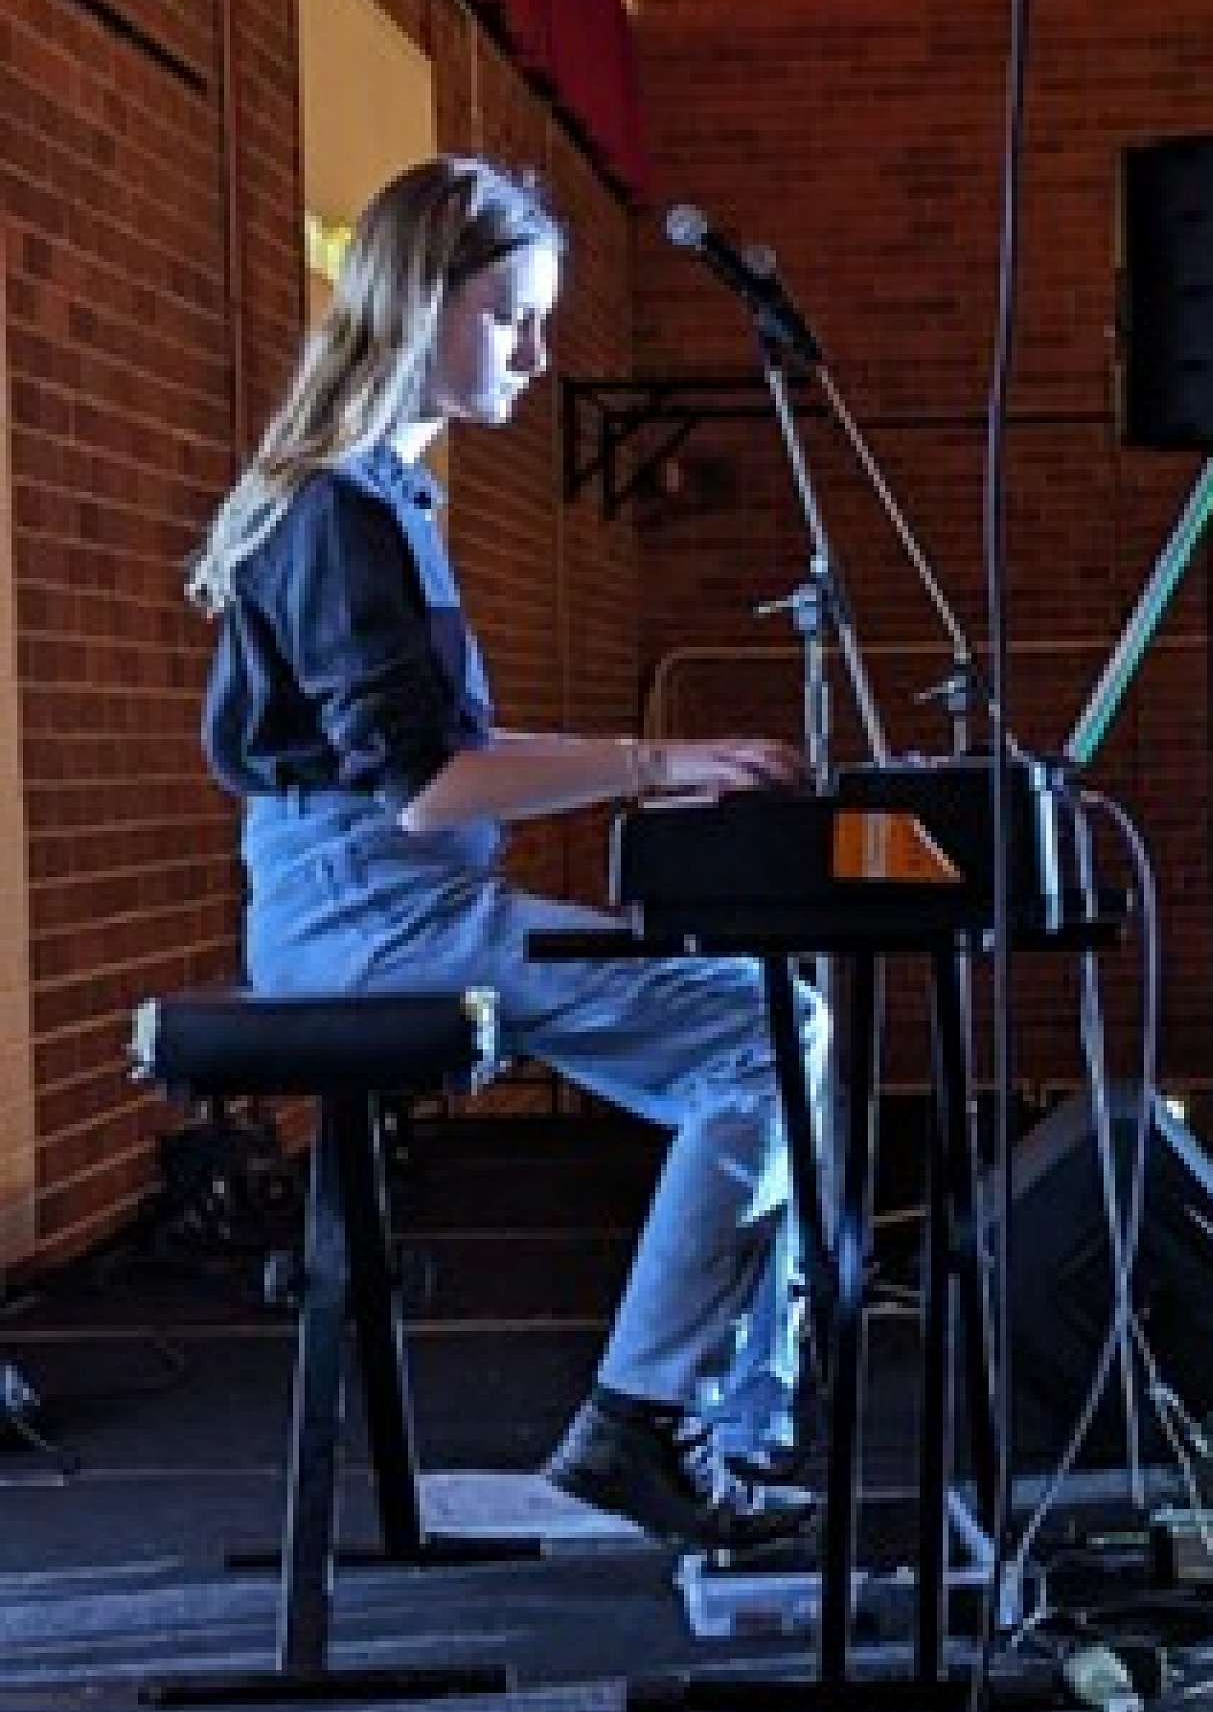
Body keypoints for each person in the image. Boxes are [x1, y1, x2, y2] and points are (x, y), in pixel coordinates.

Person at [188, 155, 830, 1548]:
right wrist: (652, 762)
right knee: (766, 1033)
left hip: (398, 902)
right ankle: (649, 1421)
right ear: (420, 303)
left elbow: (442, 752)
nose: (538, 358)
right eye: (511, 317)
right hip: (370, 921)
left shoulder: (381, 500)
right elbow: (429, 787)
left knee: (775, 1024)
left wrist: (666, 762)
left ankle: (723, 1422)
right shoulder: (339, 511)